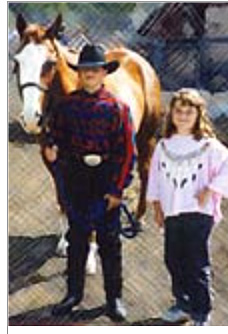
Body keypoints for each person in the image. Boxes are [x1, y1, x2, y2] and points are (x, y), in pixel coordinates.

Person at [43, 44, 135, 322]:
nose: (89, 75)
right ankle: (73, 294)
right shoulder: (66, 105)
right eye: (85, 71)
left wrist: (118, 189)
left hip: (105, 179)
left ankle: (113, 298)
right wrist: (50, 146)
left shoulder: (118, 108)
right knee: (77, 239)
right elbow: (53, 133)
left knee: (109, 242)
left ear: (104, 73)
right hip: (77, 180)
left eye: (95, 70)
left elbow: (127, 152)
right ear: (80, 74)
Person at [146, 88, 228, 326]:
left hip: (199, 213)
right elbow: (156, 180)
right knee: (173, 258)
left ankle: (201, 310)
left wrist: (210, 189)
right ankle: (183, 303)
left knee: (196, 262)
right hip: (172, 212)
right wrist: (158, 208)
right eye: (178, 111)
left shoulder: (208, 145)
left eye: (189, 112)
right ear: (171, 114)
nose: (183, 117)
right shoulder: (164, 146)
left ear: (198, 115)